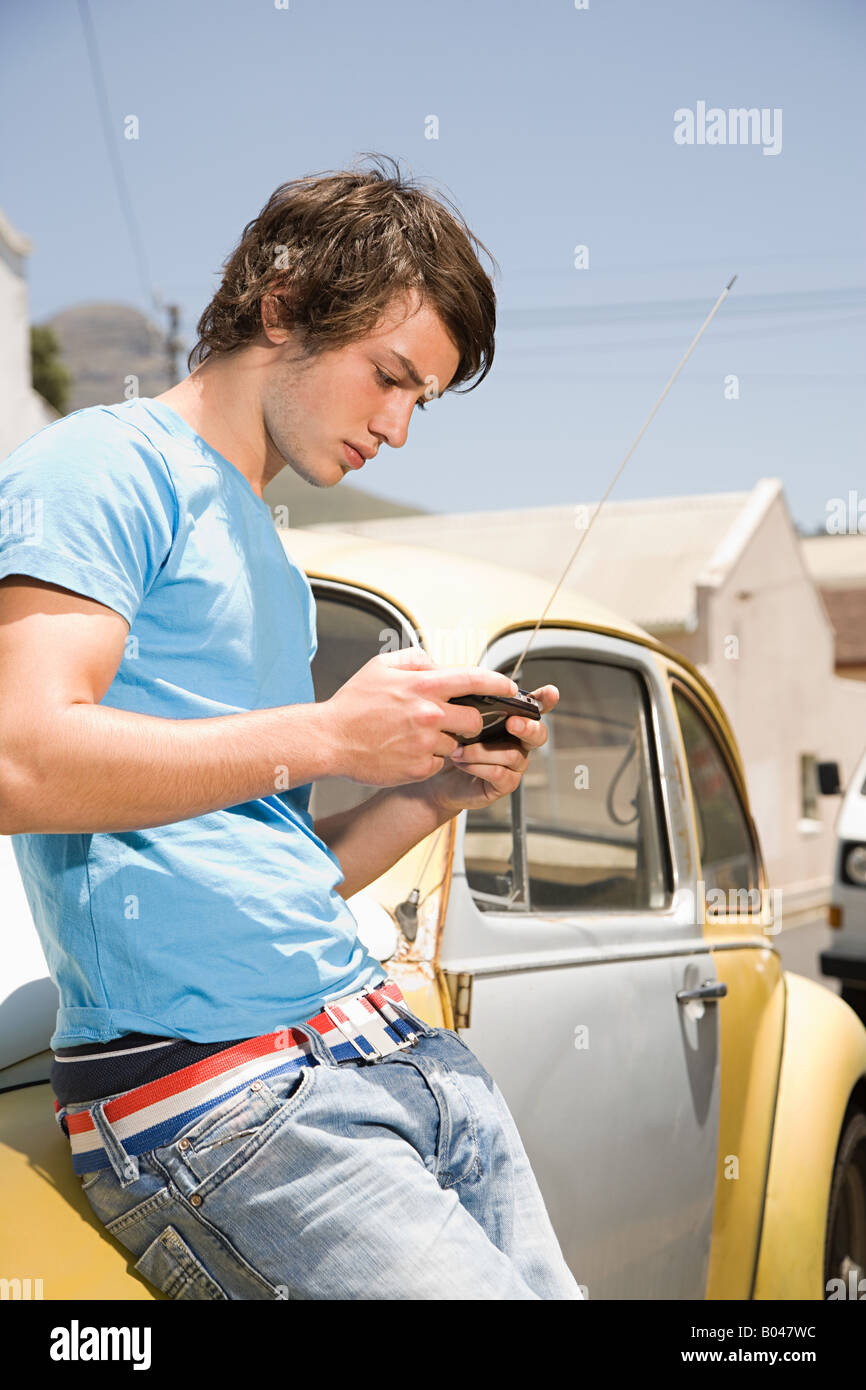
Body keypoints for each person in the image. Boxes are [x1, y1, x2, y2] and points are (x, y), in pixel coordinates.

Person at [0, 154, 583, 1300]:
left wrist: (430, 790)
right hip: (225, 1104)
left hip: (386, 1050)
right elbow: (19, 755)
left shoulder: (269, 554)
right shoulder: (98, 467)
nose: (401, 427)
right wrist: (330, 733)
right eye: (389, 376)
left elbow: (273, 863)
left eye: (424, 398)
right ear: (281, 305)